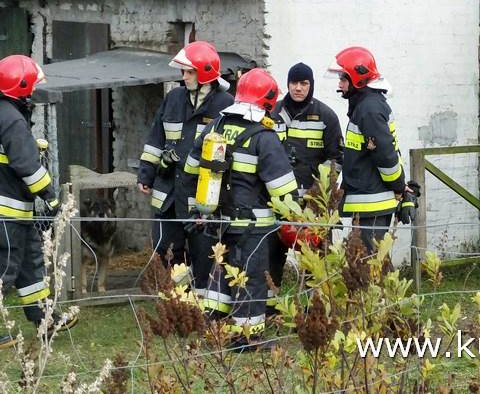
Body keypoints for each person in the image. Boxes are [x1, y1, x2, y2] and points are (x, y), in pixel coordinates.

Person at [184, 68, 298, 350]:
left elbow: (190, 168)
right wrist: (296, 216)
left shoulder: (216, 126)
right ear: (268, 101)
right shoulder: (264, 136)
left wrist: (195, 210)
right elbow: (283, 190)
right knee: (251, 279)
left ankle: (213, 327)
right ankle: (247, 339)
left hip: (217, 220)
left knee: (221, 272)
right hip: (253, 226)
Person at [136, 41, 233, 292]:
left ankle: (201, 303)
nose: (184, 76)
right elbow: (155, 138)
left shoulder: (225, 105)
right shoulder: (174, 98)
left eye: (189, 72)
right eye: (183, 71)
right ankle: (178, 300)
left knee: (202, 252)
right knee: (165, 247)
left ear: (206, 73)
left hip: (200, 195)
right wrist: (146, 173)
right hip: (168, 191)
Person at [0, 55, 78, 348]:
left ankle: (46, 319)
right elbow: (27, 166)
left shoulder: (6, 112)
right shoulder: (11, 119)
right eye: (33, 86)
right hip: (6, 214)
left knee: (30, 266)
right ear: (22, 88)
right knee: (4, 268)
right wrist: (51, 198)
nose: (36, 91)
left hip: (17, 213)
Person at [326, 46, 413, 252]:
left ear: (358, 79)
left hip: (372, 204)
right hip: (367, 202)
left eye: (343, 79)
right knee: (364, 264)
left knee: (369, 267)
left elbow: (385, 156)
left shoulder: (369, 109)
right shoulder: (365, 105)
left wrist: (400, 188)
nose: (340, 84)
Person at [273, 62, 343, 193]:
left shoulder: (326, 116)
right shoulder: (272, 113)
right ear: (288, 84)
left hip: (311, 200)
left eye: (304, 83)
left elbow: (336, 159)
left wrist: (317, 191)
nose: (298, 88)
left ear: (311, 85)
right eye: (294, 83)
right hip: (276, 197)